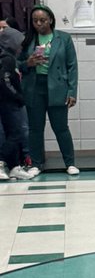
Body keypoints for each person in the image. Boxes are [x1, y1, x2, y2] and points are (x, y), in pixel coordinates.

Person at [18, 5, 79, 175]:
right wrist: (28, 63)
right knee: (35, 129)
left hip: (58, 87)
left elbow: (72, 66)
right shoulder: (27, 39)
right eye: (35, 21)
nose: (39, 24)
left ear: (50, 20)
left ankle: (70, 163)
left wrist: (72, 92)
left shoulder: (64, 38)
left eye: (43, 20)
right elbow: (17, 64)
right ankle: (36, 164)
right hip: (34, 87)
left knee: (61, 128)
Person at [0, 24, 40, 181]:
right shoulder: (7, 59)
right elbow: (5, 81)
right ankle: (2, 160)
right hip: (9, 102)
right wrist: (18, 96)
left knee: (12, 132)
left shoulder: (8, 58)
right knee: (16, 133)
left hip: (7, 101)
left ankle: (15, 165)